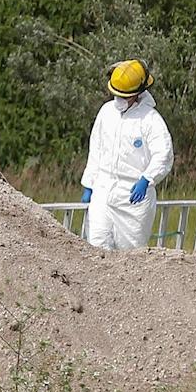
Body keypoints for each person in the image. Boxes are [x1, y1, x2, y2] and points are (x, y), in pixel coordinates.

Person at [80, 59, 174, 251]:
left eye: (125, 96)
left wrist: (147, 179)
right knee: (96, 247)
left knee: (130, 255)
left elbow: (163, 155)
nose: (120, 100)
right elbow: (96, 149)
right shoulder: (106, 112)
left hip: (133, 196)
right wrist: (89, 184)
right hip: (103, 189)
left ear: (138, 93)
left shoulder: (150, 119)